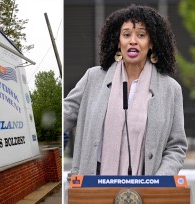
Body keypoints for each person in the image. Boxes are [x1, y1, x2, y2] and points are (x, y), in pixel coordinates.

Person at [64, 5, 188, 176]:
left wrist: (160, 181)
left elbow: (176, 146)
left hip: (146, 187)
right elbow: (64, 114)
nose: (133, 41)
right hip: (93, 184)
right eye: (126, 34)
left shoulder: (171, 89)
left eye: (141, 35)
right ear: (118, 41)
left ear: (151, 43)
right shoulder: (93, 78)